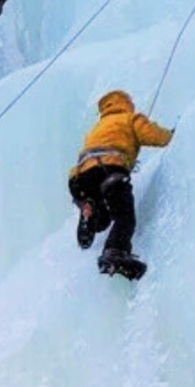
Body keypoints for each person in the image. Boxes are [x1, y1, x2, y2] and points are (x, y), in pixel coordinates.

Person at [68, 89, 175, 278]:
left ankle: (89, 208)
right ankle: (115, 252)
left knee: (103, 220)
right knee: (124, 216)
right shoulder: (129, 118)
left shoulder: (97, 127)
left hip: (81, 177)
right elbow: (154, 136)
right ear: (125, 103)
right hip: (109, 170)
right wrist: (174, 134)